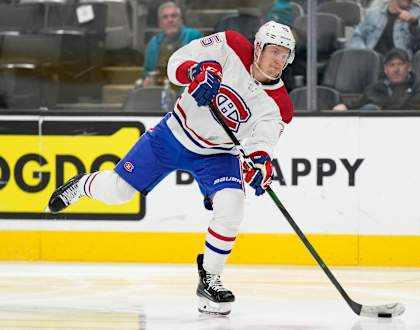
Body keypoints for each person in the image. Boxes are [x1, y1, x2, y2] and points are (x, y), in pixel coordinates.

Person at [46, 21, 295, 316]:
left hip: (217, 154)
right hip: (172, 135)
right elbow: (175, 63)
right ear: (257, 47)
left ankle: (210, 280)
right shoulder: (229, 44)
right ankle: (82, 185)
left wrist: (259, 162)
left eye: (285, 54)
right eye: (274, 51)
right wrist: (194, 72)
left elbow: (262, 141)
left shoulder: (280, 105)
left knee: (232, 206)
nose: (278, 60)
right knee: (118, 192)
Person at [334, 48, 420, 111]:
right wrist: (345, 106)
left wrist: (382, 108)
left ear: (409, 67)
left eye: (400, 64)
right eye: (391, 65)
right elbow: (356, 103)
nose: (396, 69)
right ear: (385, 70)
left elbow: (414, 113)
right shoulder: (377, 87)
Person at [142, 2, 202, 88]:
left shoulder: (194, 37)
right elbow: (148, 72)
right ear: (160, 23)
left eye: (174, 16)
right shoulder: (153, 44)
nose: (170, 20)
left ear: (181, 20)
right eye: (165, 17)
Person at [350, 0, 420, 57]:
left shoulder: (418, 15)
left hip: (398, 68)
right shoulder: (373, 13)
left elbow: (419, 45)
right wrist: (364, 53)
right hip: (371, 63)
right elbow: (357, 36)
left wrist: (413, 23)